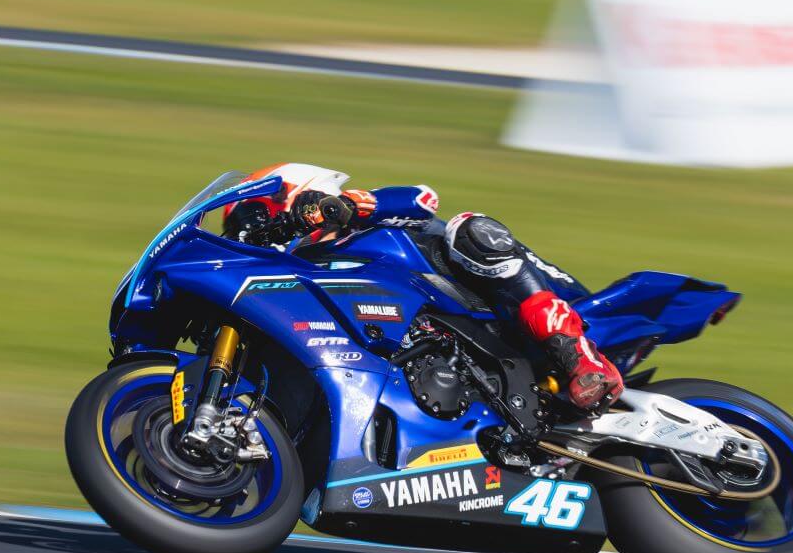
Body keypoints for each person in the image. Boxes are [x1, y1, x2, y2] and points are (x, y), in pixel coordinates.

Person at [223, 163, 623, 412]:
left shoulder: (362, 226)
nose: (258, 230)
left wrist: (353, 205)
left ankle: (580, 357)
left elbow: (424, 197)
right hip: (455, 365)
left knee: (470, 229)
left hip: (521, 306)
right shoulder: (304, 280)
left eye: (259, 216)